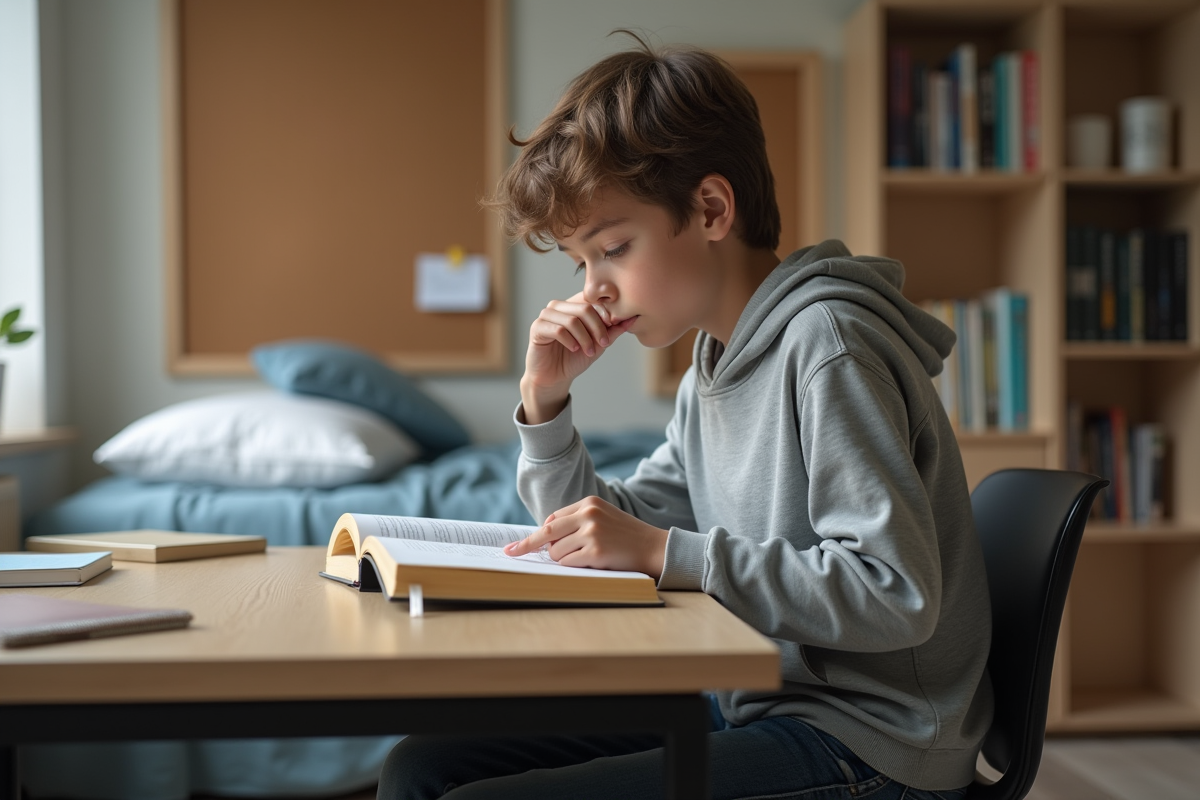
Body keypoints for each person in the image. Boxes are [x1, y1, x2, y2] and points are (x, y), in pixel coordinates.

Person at [377, 32, 993, 800]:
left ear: (709, 208)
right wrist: (546, 404)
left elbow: (894, 591)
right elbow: (606, 529)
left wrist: (672, 552)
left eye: (614, 248)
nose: (593, 288)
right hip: (752, 700)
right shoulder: (711, 365)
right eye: (580, 263)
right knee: (421, 766)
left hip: (870, 741)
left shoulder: (829, 347)